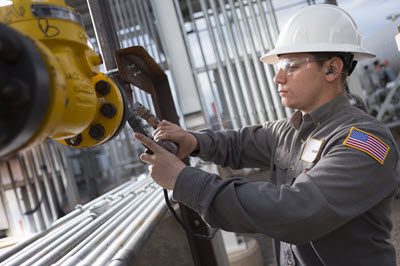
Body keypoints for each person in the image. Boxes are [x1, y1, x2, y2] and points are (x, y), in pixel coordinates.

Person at [135, 4, 400, 266]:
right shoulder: (290, 131)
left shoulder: (364, 141)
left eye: (291, 65)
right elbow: (238, 143)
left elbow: (296, 212)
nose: (278, 78)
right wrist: (194, 141)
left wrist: (184, 180)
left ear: (331, 69)